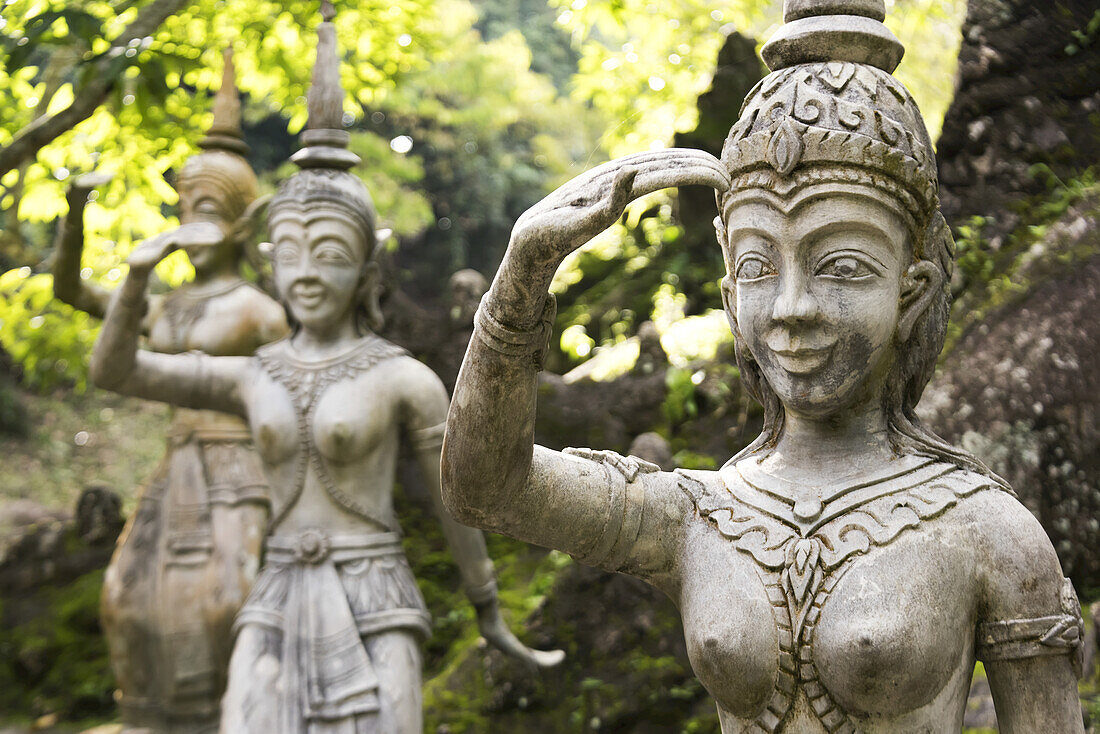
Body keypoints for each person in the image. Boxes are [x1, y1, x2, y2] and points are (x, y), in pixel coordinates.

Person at [440, 1, 1085, 731]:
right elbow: (487, 488)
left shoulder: (986, 530)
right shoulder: (700, 514)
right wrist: (522, 277)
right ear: (725, 293)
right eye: (757, 265)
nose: (790, 308)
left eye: (842, 265)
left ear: (914, 292)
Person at [90, 6, 559, 732]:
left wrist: (488, 609)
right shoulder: (250, 374)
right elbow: (115, 373)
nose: (307, 273)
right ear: (268, 258)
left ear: (368, 266)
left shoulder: (401, 378)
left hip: (375, 596)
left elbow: (455, 505)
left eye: (331, 254)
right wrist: (134, 279)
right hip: (273, 597)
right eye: (290, 253)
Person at [55, 49, 287, 733]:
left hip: (239, 467)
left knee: (225, 600)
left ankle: (231, 715)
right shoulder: (163, 306)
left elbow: (293, 391)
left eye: (208, 207)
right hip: (174, 466)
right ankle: (149, 717)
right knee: (126, 595)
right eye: (185, 204)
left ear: (242, 220)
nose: (193, 221)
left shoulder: (258, 309)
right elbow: (70, 292)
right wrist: (76, 215)